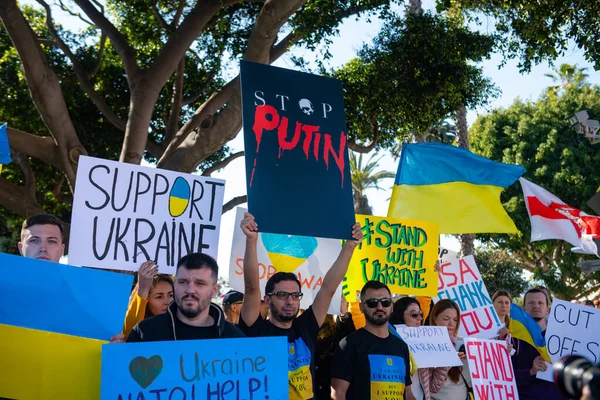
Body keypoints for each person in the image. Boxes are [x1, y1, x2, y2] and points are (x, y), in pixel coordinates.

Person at [238, 212, 363, 400]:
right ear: (268, 299)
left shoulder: (304, 327)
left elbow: (329, 287)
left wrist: (350, 247)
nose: (290, 301)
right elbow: (251, 287)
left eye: (295, 295)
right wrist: (251, 241)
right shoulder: (256, 329)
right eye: (282, 295)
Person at [111, 253, 244, 342]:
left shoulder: (235, 339)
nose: (190, 290)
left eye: (200, 283)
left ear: (215, 290)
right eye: (183, 282)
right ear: (175, 285)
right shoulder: (145, 332)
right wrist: (119, 361)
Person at [331, 281, 412, 400]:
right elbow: (338, 394)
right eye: (372, 303)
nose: (380, 307)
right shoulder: (349, 344)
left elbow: (407, 393)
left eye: (385, 302)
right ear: (361, 307)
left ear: (392, 306)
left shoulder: (401, 346)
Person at [391, 296, 449, 400]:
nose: (420, 318)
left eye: (420, 314)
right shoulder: (388, 343)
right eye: (414, 314)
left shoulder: (425, 345)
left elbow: (434, 387)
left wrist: (446, 355)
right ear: (400, 316)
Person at [511, 288, 562, 399]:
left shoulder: (563, 339)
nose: (536, 306)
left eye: (540, 303)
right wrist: (531, 371)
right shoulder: (513, 340)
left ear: (547, 310)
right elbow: (505, 376)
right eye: (531, 303)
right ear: (524, 308)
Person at [429, 299, 472, 400]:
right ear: (435, 318)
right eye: (446, 318)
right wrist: (449, 359)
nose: (451, 323)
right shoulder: (425, 344)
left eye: (455, 319)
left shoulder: (464, 343)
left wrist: (503, 350)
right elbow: (430, 384)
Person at [122, 261, 174, 340]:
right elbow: (129, 337)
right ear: (146, 302)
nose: (167, 302)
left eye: (171, 295)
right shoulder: (141, 329)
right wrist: (143, 289)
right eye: (159, 297)